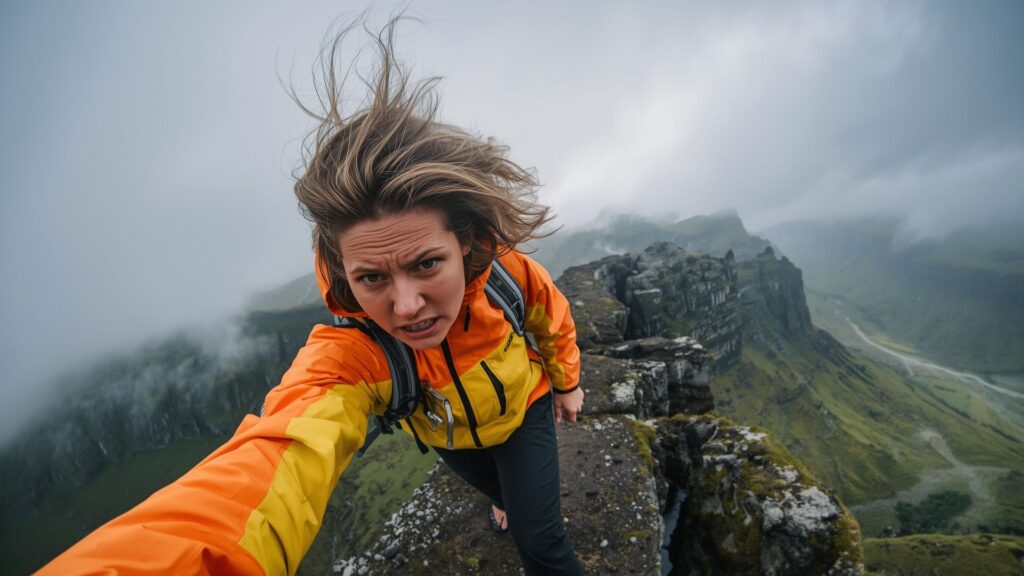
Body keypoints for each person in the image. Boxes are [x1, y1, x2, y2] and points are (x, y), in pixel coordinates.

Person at [40, 17, 584, 576]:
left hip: (525, 413)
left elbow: (552, 318)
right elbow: (276, 456)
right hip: (447, 434)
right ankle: (503, 497)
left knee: (541, 543)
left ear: (464, 240)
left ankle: (519, 506)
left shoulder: (507, 277)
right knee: (498, 489)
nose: (405, 307)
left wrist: (566, 383)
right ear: (345, 274)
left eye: (427, 265)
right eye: (372, 278)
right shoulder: (357, 354)